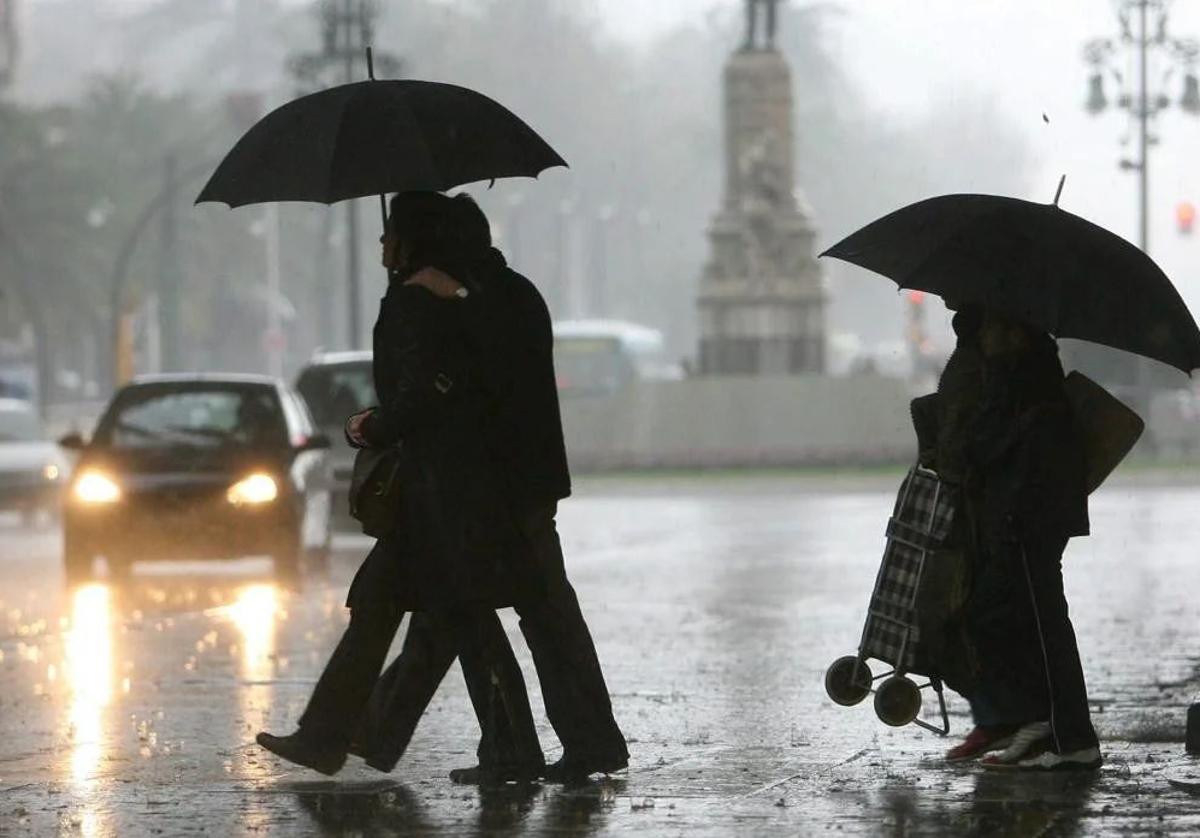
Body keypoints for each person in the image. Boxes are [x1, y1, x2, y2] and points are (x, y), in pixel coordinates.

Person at [255, 192, 544, 780]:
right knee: (415, 613)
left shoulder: (422, 301)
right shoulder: (431, 297)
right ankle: (339, 735)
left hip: (440, 494)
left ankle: (344, 736)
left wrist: (374, 426)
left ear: (413, 242)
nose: (382, 245)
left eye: (391, 235)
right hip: (438, 492)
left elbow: (428, 390)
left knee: (454, 617)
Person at [352, 192, 629, 784]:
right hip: (524, 484)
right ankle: (576, 741)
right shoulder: (513, 292)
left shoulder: (474, 300)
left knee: (491, 614)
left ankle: (530, 747)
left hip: (488, 491)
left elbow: (462, 379)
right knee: (538, 615)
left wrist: (445, 301)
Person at [942, 309, 1100, 771]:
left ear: (1015, 335)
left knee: (1043, 624)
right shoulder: (1012, 380)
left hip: (1030, 519)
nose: (982, 336)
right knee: (1003, 616)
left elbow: (1011, 451)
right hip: (1019, 517)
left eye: (990, 326)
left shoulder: (1032, 391)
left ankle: (1068, 736)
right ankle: (1037, 723)